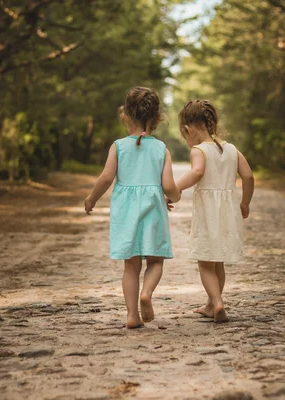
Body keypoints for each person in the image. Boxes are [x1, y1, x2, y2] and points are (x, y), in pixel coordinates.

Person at [84, 86, 181, 328]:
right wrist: (174, 197)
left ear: (125, 115)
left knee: (131, 266)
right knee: (155, 261)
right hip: (153, 210)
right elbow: (168, 185)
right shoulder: (161, 149)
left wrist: (92, 198)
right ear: (157, 118)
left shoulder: (118, 146)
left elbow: (106, 178)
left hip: (126, 214)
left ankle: (131, 315)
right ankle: (146, 293)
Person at [175, 100, 254, 323]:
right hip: (228, 211)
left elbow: (197, 172)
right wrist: (245, 202)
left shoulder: (199, 150)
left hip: (208, 213)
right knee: (217, 260)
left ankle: (217, 302)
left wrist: (175, 188)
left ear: (189, 129)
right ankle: (212, 304)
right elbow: (248, 176)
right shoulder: (231, 149)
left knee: (204, 261)